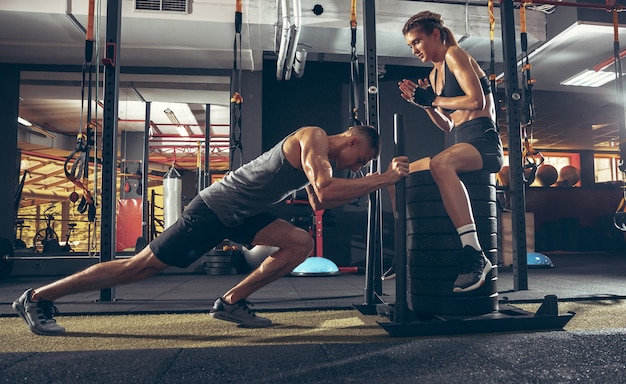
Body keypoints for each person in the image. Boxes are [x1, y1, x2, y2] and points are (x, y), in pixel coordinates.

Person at [13, 125, 409, 335]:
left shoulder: (320, 156)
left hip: (245, 213)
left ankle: (231, 302)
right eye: (363, 159)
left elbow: (321, 202)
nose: (359, 167)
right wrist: (385, 179)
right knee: (141, 267)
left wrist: (376, 181)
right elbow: (325, 190)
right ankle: (36, 297)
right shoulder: (314, 137)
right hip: (216, 208)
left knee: (299, 243)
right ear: (354, 139)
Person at [397, 11, 504, 293]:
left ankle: (474, 253)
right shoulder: (434, 74)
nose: (415, 49)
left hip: (483, 141)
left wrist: (433, 97)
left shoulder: (455, 54)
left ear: (435, 34)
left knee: (440, 164)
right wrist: (426, 105)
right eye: (411, 45)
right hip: (459, 141)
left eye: (417, 41)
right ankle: (402, 247)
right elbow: (447, 124)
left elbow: (475, 100)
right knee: (400, 172)